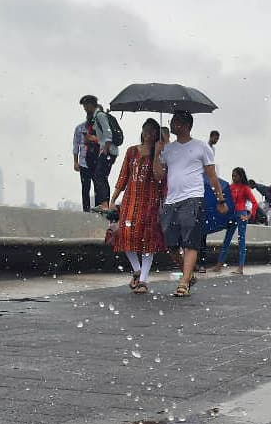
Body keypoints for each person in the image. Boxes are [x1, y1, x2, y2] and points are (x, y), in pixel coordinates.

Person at [154, 110, 226, 297]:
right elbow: (159, 175)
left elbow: (212, 176)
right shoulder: (168, 149)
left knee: (190, 242)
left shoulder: (202, 147)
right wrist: (157, 151)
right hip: (171, 200)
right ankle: (189, 274)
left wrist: (221, 199)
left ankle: (184, 282)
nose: (172, 124)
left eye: (176, 121)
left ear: (187, 125)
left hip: (193, 198)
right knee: (170, 244)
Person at [108, 118, 168, 293]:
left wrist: (157, 154)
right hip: (130, 201)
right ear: (142, 131)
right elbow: (123, 176)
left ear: (157, 134)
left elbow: (160, 178)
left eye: (152, 131)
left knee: (147, 239)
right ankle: (137, 270)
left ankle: (143, 280)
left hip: (150, 202)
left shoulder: (160, 154)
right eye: (146, 130)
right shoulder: (131, 151)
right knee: (125, 235)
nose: (148, 135)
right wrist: (113, 199)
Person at [213, 167, 260, 275]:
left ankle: (240, 268)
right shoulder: (230, 187)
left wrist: (248, 216)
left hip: (241, 215)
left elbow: (255, 203)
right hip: (232, 215)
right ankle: (219, 266)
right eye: (232, 175)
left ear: (241, 176)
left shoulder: (245, 188)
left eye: (235, 175)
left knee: (241, 241)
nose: (233, 177)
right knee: (226, 240)